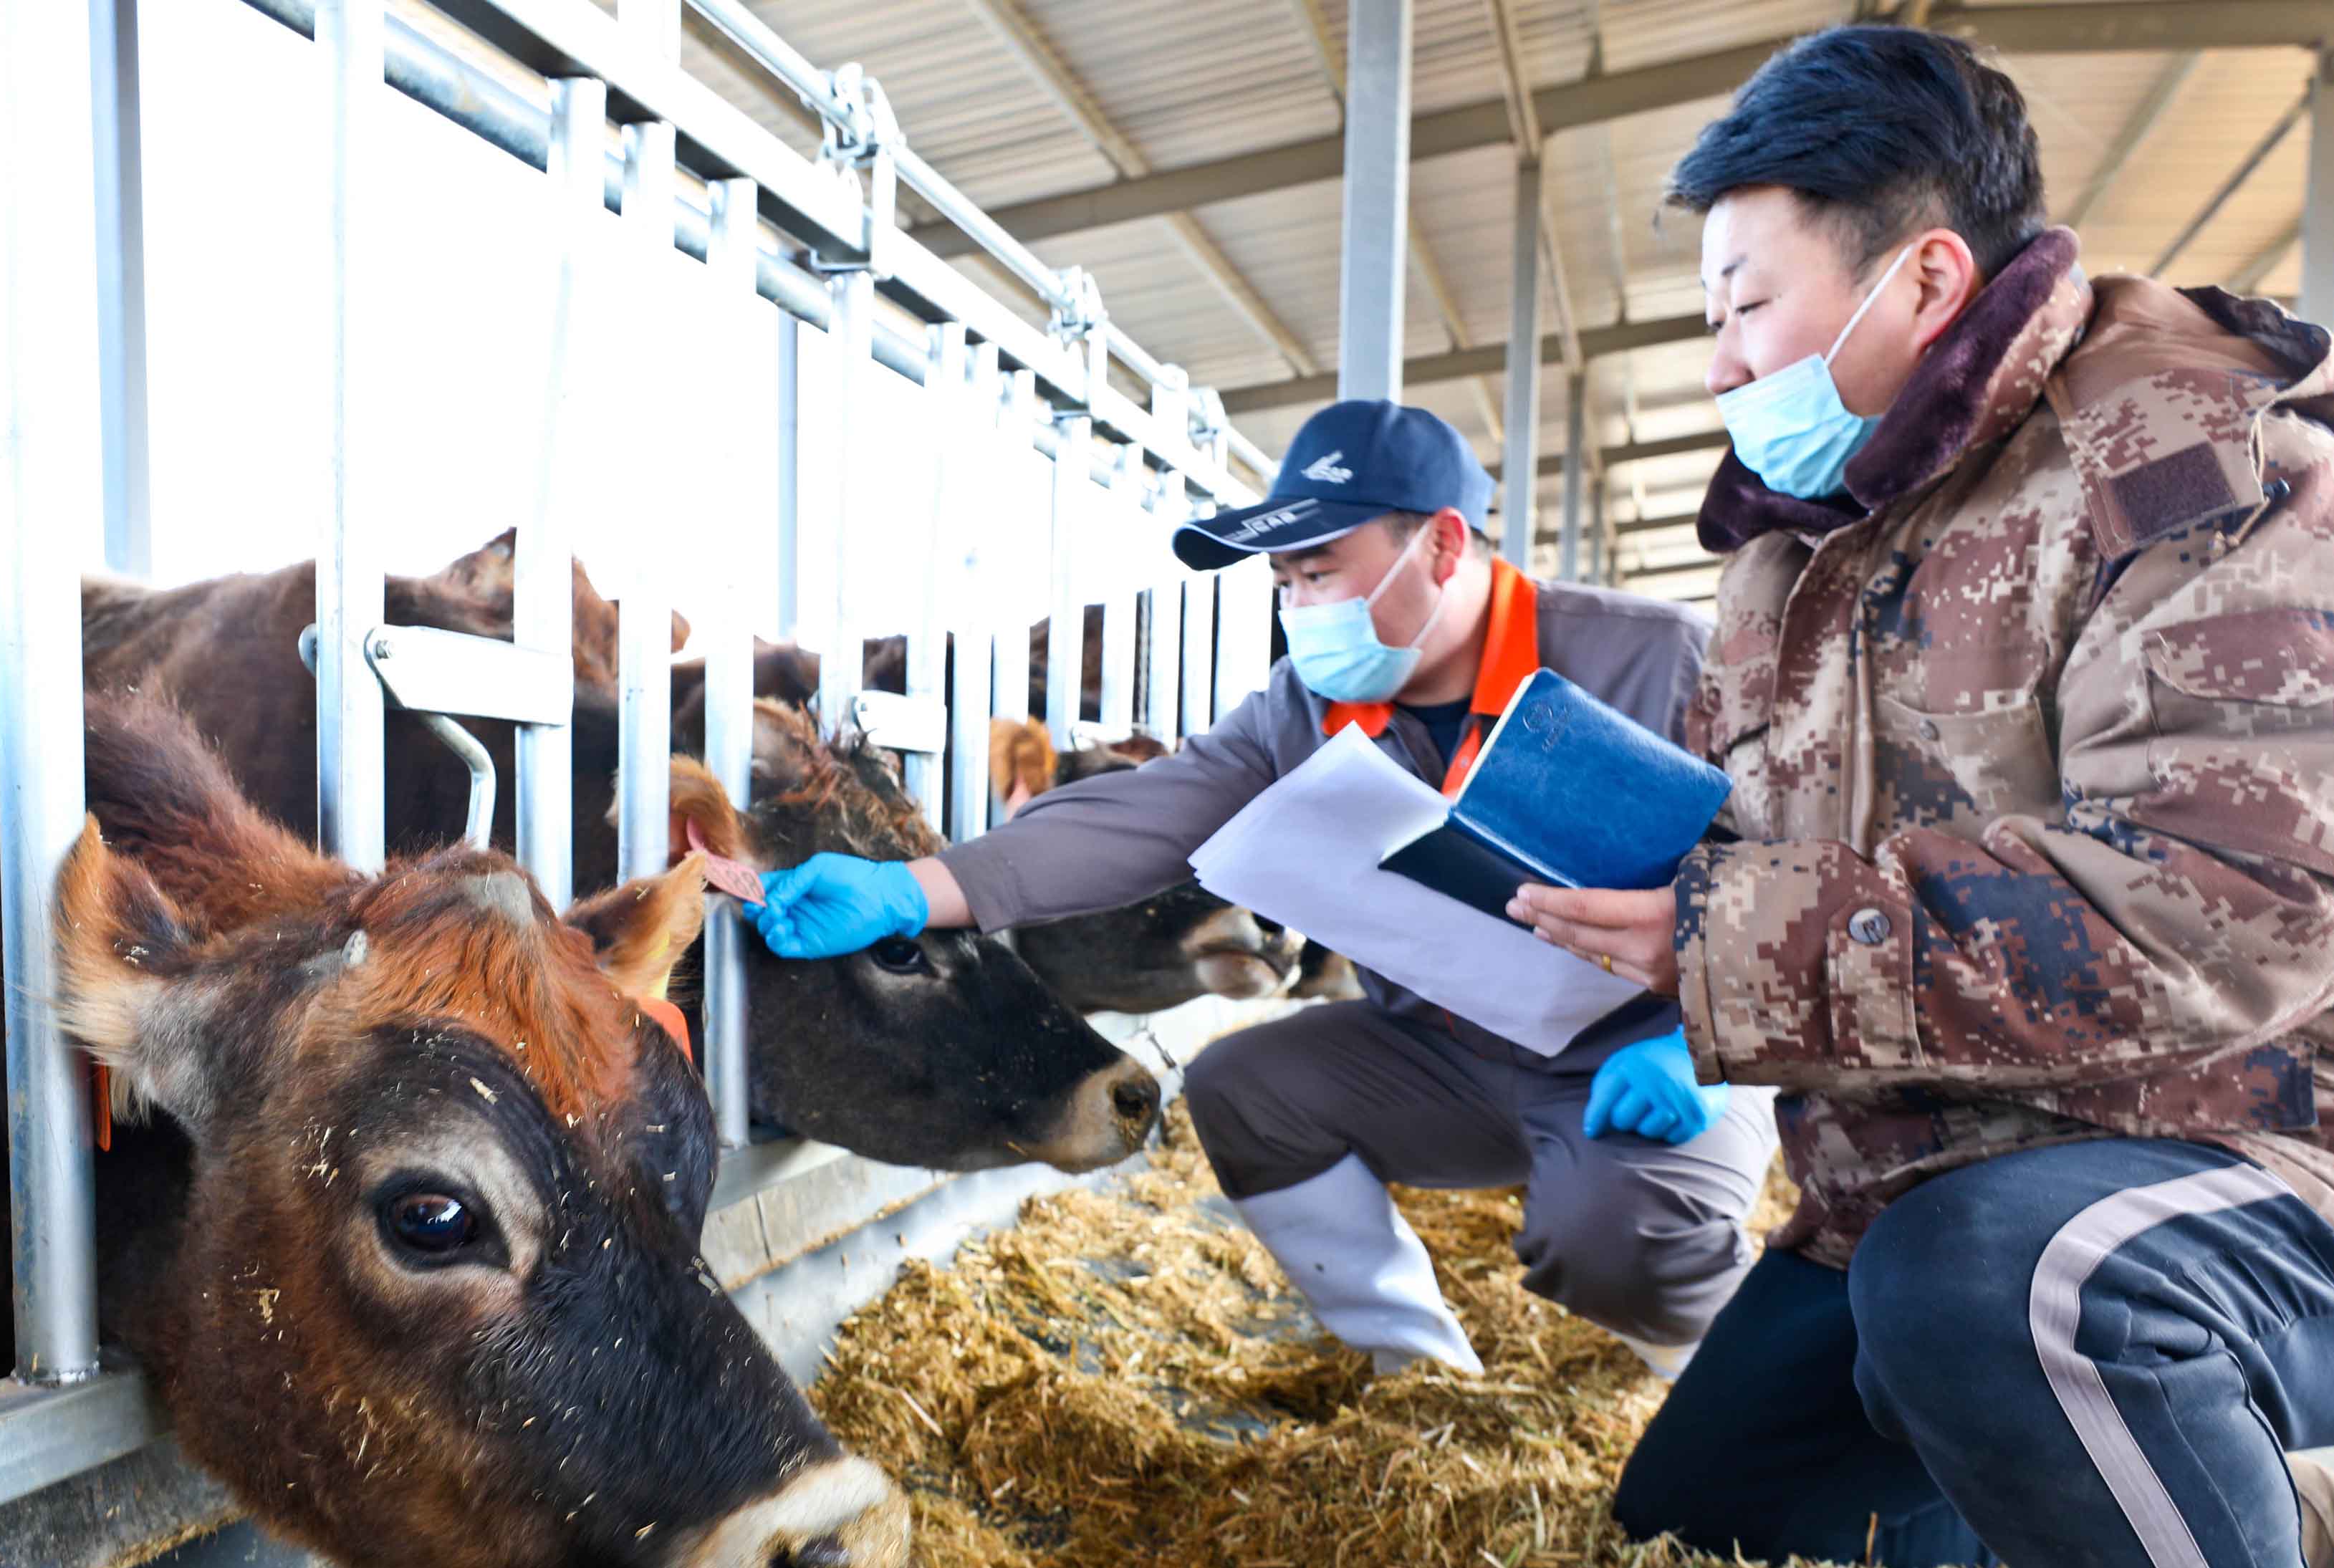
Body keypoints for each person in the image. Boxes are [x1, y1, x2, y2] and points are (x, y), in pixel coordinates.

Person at [1509, 26, 2334, 1568]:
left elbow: (2241, 900)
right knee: (1711, 1532)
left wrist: (1734, 943)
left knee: (2004, 1294)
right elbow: (1761, 859)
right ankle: (2258, 1518)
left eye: (1744, 306)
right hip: (1931, 1173)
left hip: (2310, 1151)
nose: (1719, 366)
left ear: (1923, 277)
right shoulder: (1799, 547)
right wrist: (1639, 926)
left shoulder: (2207, 469)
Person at [742, 397, 1779, 1381]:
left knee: (1606, 1243)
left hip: (1651, 1053)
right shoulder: (1306, 708)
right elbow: (1148, 814)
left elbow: (1801, 862)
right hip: (1451, 1054)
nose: (1300, 609)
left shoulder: (1655, 665)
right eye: (1284, 582)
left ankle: (1717, 1379)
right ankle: (1419, 1371)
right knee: (1243, 1089)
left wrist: (1718, 1039)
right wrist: (919, 889)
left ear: (1447, 547)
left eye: (1322, 573)